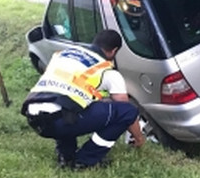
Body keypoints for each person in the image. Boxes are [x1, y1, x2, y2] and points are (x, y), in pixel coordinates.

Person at [21, 29, 145, 169]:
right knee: (127, 111)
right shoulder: (107, 70)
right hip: (59, 121)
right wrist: (139, 137)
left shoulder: (66, 53)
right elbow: (124, 109)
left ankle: (65, 156)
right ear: (113, 51)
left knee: (70, 106)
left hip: (34, 116)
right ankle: (84, 160)